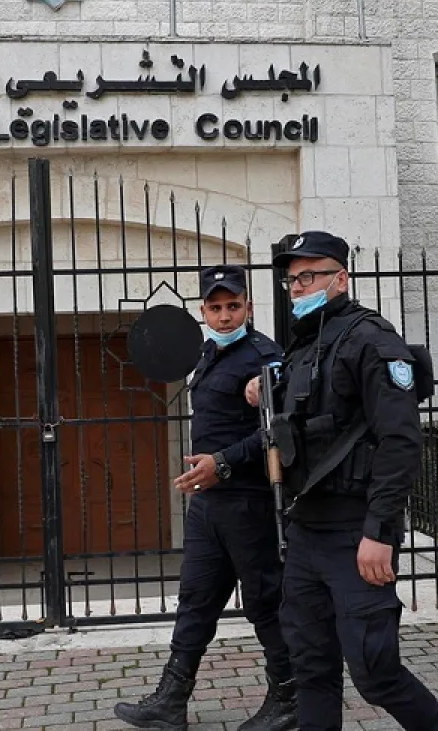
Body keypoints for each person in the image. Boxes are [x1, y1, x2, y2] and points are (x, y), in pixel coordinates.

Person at [244, 231, 438, 731]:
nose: (298, 286)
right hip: (304, 533)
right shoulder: (301, 348)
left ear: (341, 277)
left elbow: (401, 442)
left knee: (375, 670)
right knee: (311, 669)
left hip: (355, 533)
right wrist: (264, 386)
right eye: (292, 279)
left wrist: (379, 532)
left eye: (309, 276)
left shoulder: (373, 340)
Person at [114, 264, 297, 731]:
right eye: (215, 308)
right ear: (203, 313)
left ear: (248, 308)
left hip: (248, 501)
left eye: (233, 306)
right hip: (209, 505)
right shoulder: (209, 353)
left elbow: (275, 433)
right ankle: (170, 702)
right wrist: (210, 472)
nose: (224, 316)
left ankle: (289, 698)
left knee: (264, 601)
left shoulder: (266, 358)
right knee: (195, 600)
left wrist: (222, 464)